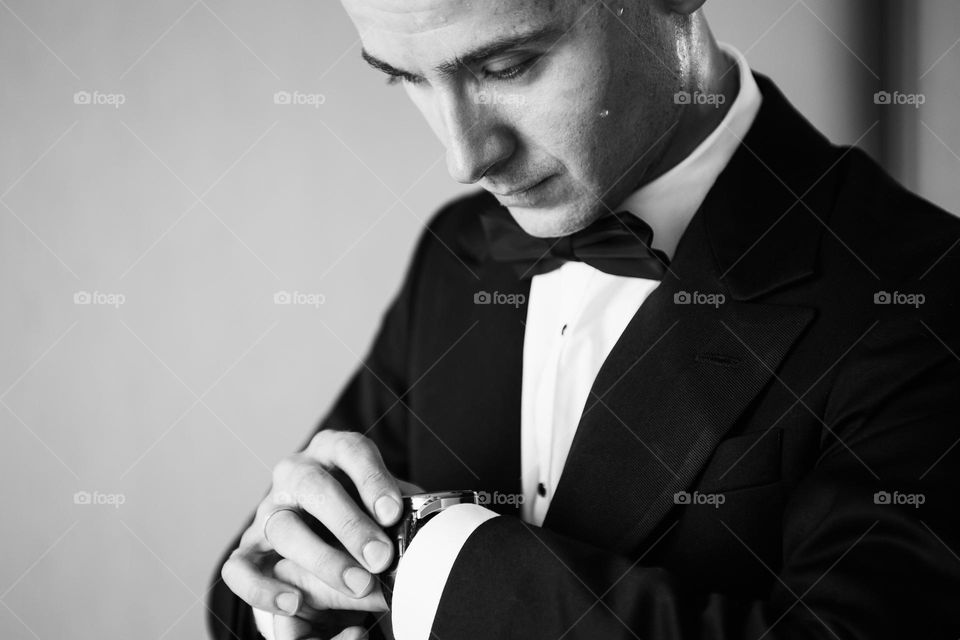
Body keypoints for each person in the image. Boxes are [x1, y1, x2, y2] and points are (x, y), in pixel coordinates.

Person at [208, 1, 960, 638]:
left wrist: (427, 563)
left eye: (507, 66)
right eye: (406, 78)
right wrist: (291, 576)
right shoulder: (458, 252)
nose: (464, 158)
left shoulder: (926, 292)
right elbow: (261, 585)